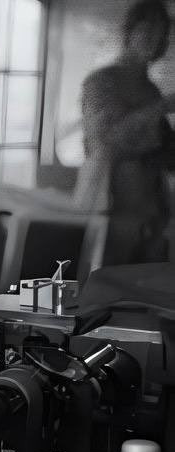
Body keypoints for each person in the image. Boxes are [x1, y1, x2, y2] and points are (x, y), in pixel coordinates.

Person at [76, 0, 175, 265]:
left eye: (161, 34)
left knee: (146, 280)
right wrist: (160, 108)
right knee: (106, 275)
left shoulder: (151, 89)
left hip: (151, 205)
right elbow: (105, 139)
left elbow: (162, 150)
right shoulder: (101, 81)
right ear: (130, 32)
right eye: (147, 30)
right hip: (111, 202)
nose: (154, 40)